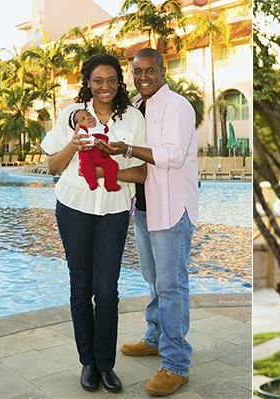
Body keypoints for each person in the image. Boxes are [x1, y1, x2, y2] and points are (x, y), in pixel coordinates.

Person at [41, 53, 146, 393]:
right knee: (80, 288)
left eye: (112, 80)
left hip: (114, 211)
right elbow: (52, 167)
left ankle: (106, 364)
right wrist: (73, 144)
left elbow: (143, 173)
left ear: (120, 82)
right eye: (98, 81)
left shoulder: (131, 117)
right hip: (73, 206)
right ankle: (87, 362)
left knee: (107, 290)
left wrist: (104, 170)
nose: (105, 87)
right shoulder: (71, 115)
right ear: (88, 82)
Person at [99, 47, 199, 397]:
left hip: (172, 209)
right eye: (137, 72)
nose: (143, 77)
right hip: (144, 207)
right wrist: (106, 169)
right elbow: (141, 171)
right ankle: (155, 338)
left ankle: (176, 364)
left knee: (172, 285)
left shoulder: (179, 107)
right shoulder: (138, 108)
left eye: (149, 71)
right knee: (154, 280)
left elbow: (171, 157)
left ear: (162, 70)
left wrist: (125, 148)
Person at [70, 109, 121, 192]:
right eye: (83, 119)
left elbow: (109, 135)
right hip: (88, 154)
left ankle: (110, 184)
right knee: (85, 166)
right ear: (78, 125)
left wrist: (113, 143)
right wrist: (94, 140)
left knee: (113, 165)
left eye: (88, 115)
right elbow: (83, 137)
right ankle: (92, 182)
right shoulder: (82, 129)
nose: (88, 118)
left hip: (102, 155)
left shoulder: (102, 127)